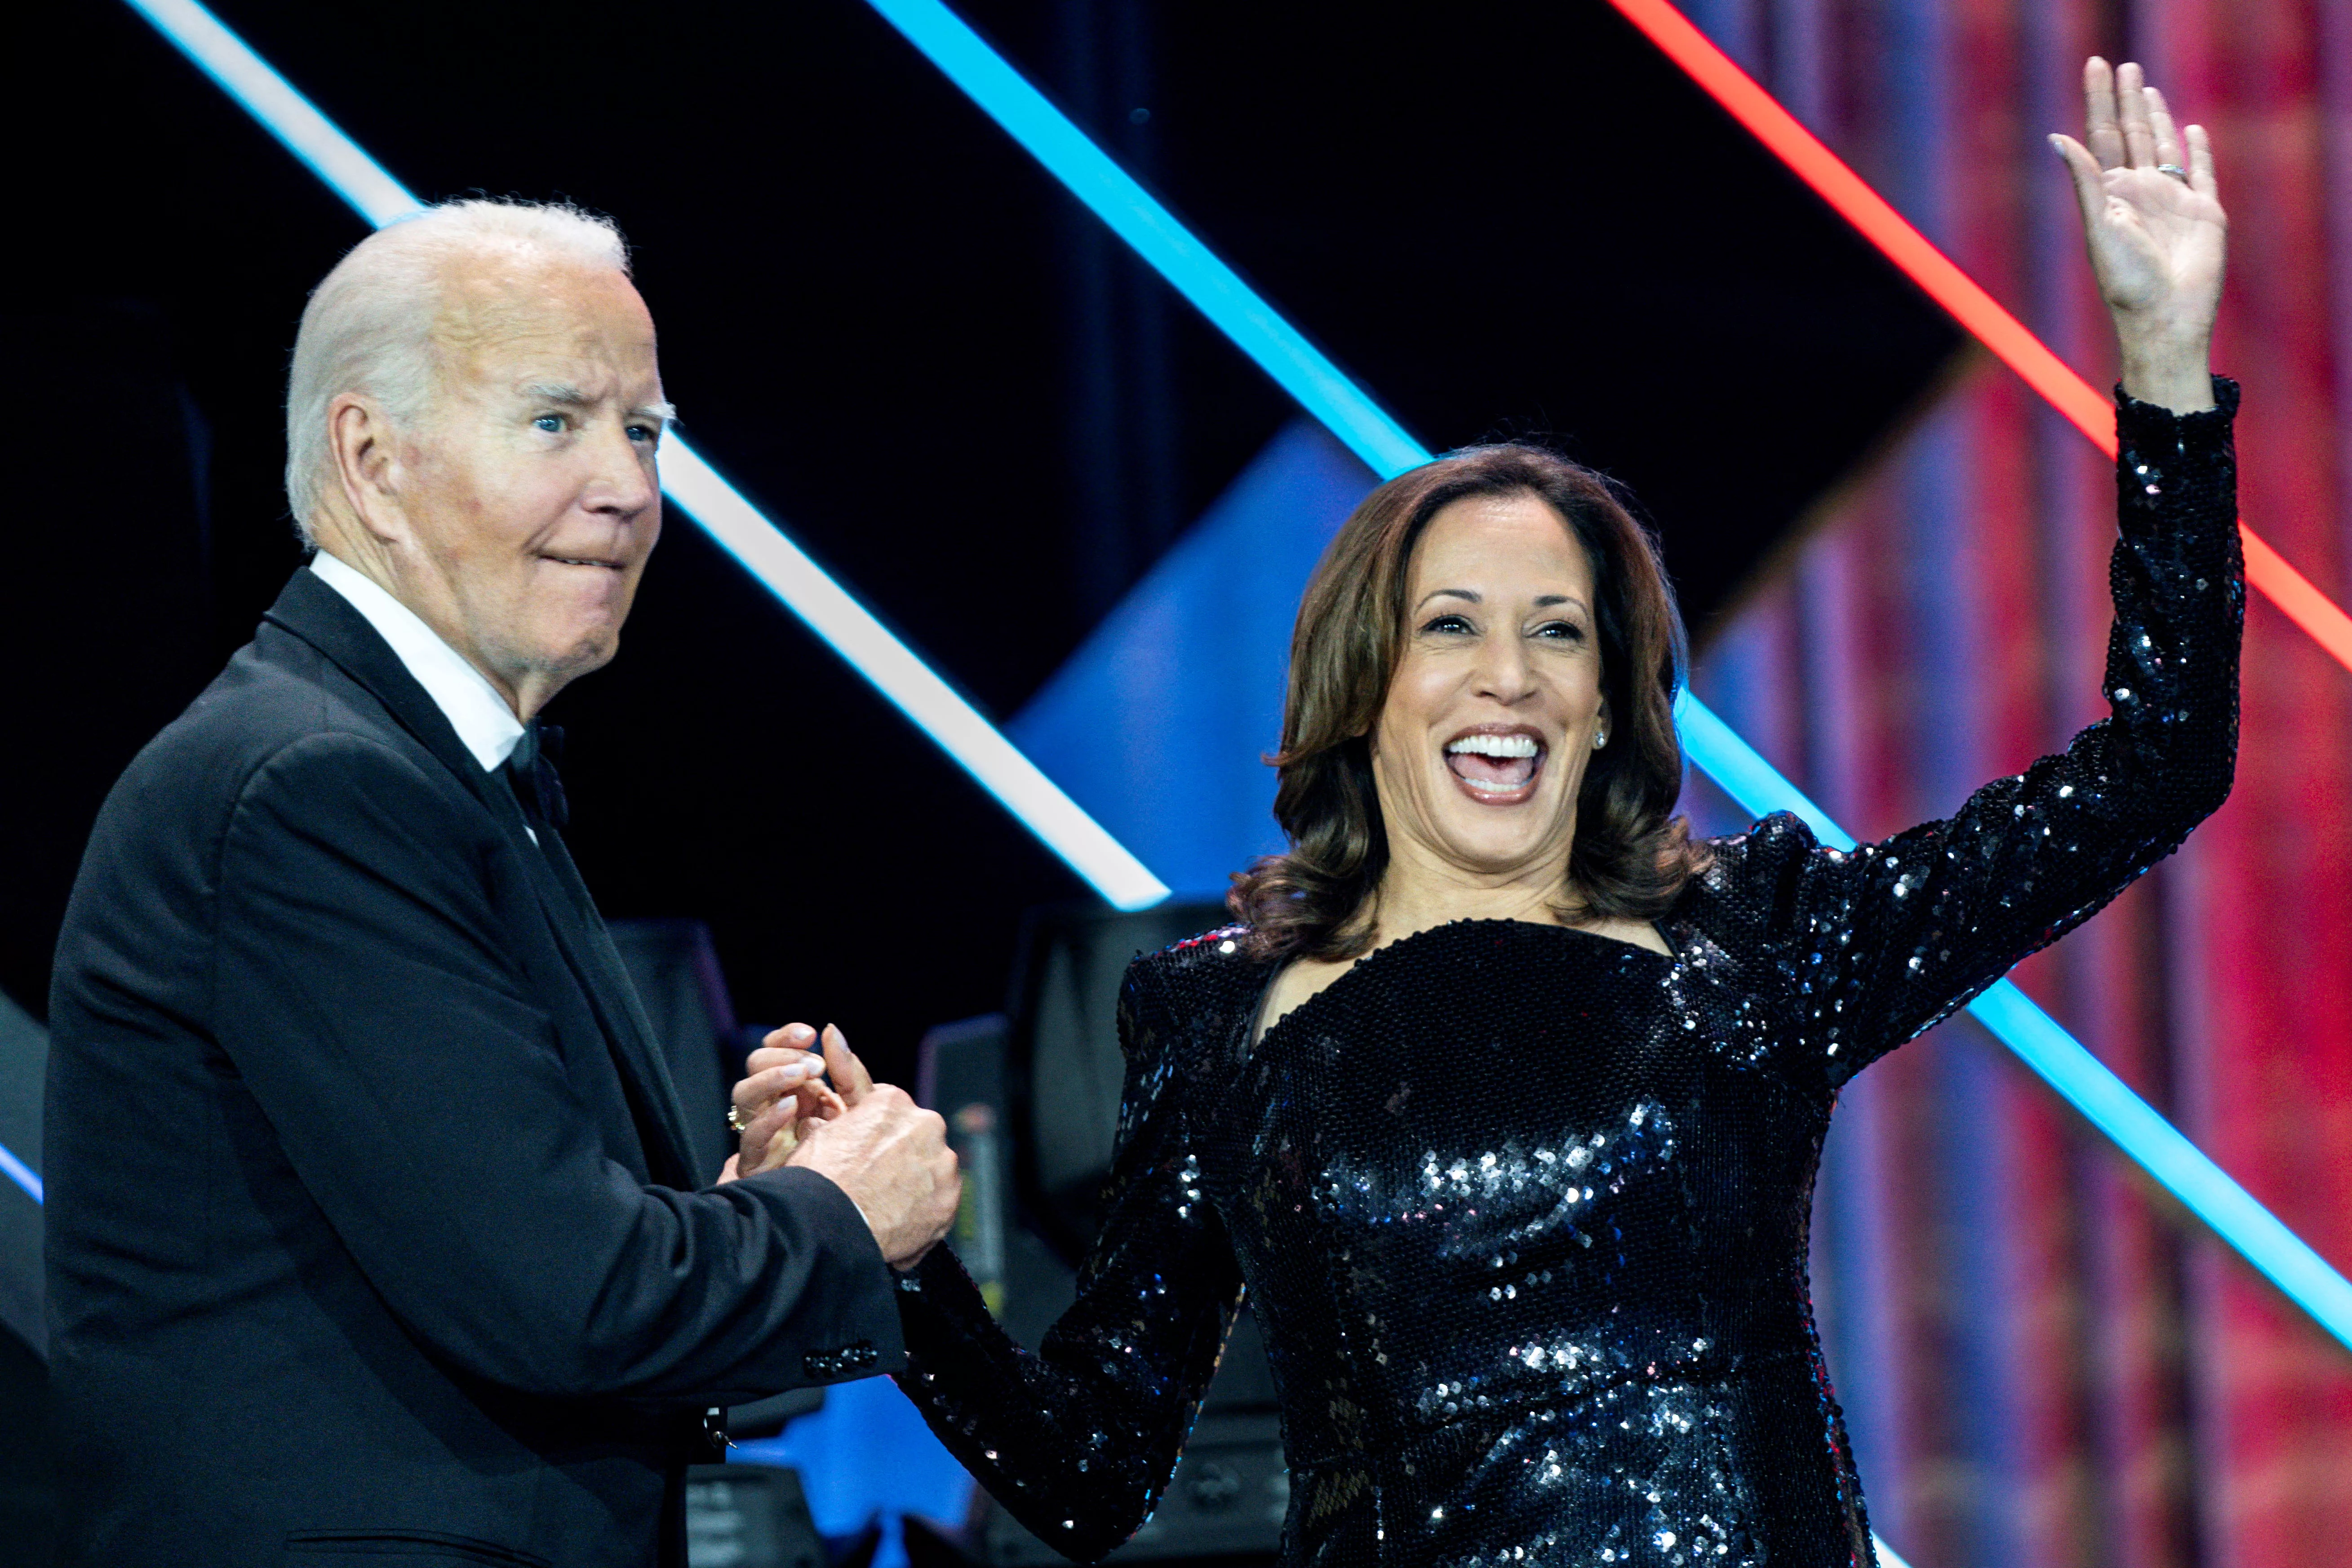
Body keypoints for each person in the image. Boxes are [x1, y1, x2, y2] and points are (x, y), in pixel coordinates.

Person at [732, 58, 2234, 1568]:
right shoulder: (1215, 1017)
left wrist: (2165, 359)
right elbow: (1086, 1471)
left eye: (1561, 632)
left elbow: (2157, 766)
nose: (1506, 679)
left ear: (1611, 698)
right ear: (1366, 679)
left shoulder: (1757, 947)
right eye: (1451, 627)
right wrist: (898, 1258)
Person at [44, 200, 959, 1565]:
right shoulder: (311, 789)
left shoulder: (428, 775)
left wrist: (745, 1209)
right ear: (372, 459)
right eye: (555, 421)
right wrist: (835, 1215)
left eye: (645, 433)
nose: (627, 489)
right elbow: (569, 1298)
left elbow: (507, 1256)